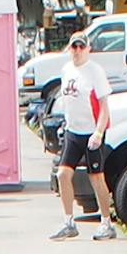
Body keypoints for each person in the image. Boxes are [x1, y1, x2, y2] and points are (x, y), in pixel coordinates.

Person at [50, 33, 119, 241]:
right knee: (63, 174)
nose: (78, 51)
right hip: (73, 131)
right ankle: (68, 221)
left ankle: (106, 222)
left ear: (88, 49)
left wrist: (98, 132)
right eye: (74, 47)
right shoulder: (67, 70)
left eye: (81, 47)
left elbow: (105, 106)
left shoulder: (94, 71)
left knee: (96, 177)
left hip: (92, 132)